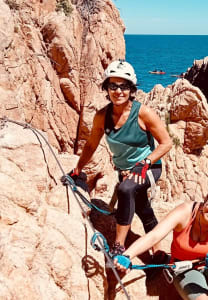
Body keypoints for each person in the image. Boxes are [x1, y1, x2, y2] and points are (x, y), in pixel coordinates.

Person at [72, 59, 172, 257]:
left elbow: (166, 143)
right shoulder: (102, 116)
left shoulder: (143, 113)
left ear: (131, 89)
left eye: (124, 86)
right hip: (125, 170)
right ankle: (158, 251)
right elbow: (91, 145)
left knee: (126, 190)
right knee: (142, 208)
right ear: (106, 88)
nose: (118, 91)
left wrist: (144, 164)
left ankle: (119, 247)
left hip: (149, 167)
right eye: (113, 86)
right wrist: (78, 169)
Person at [114, 179, 208, 300]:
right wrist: (128, 255)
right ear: (206, 197)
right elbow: (154, 235)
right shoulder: (185, 213)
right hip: (187, 268)